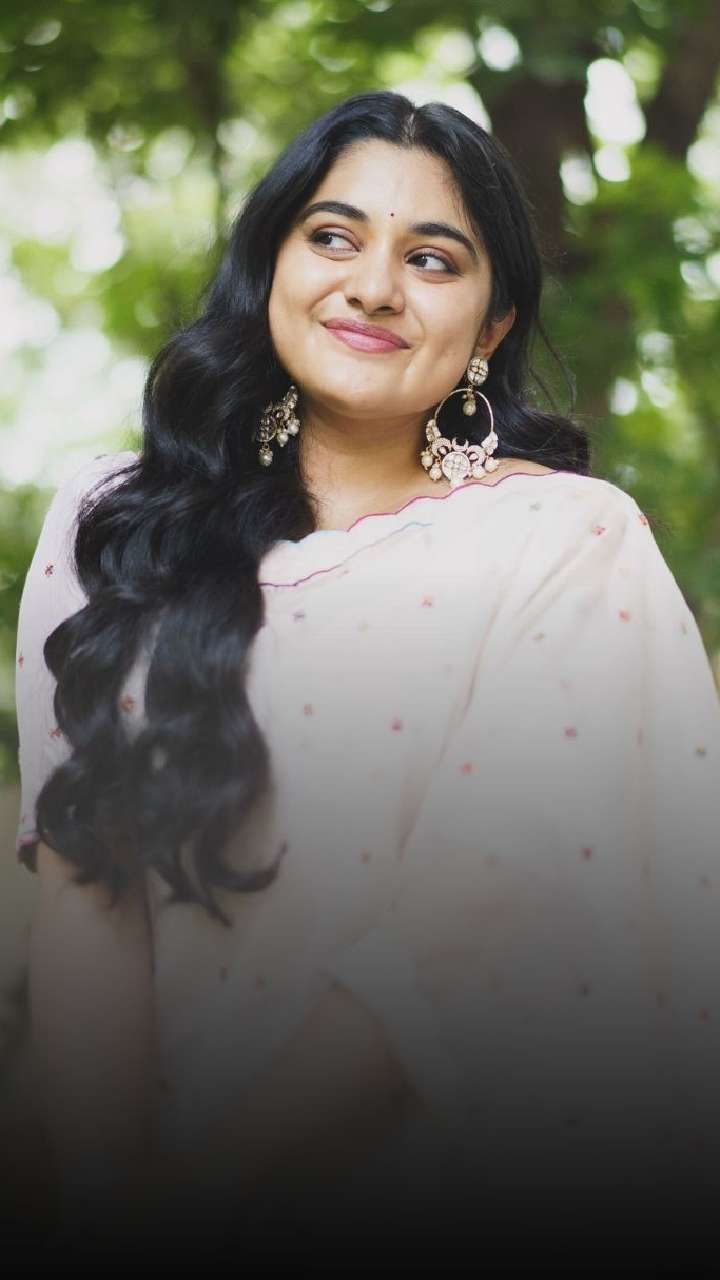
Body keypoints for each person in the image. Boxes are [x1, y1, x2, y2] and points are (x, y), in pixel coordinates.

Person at [14, 90, 720, 1264]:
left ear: (491, 325)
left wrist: (204, 1191)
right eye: (333, 236)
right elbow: (90, 894)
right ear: (272, 264)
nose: (374, 285)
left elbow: (479, 920)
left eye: (432, 258)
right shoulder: (116, 526)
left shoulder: (564, 540)